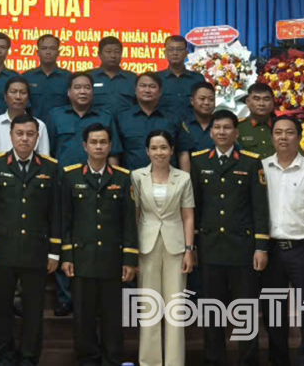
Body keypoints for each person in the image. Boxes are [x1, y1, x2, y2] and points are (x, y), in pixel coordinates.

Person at [190, 110, 270, 366]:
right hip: (210, 248)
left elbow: (260, 208)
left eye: (227, 128)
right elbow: (194, 208)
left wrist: (261, 246)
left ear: (236, 133)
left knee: (245, 311)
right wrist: (192, 246)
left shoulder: (250, 162)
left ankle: (248, 360)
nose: (222, 132)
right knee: (212, 311)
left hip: (242, 249)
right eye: (217, 128)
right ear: (211, 132)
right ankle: (214, 359)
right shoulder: (198, 162)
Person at [0, 114, 60, 366]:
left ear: (37, 137)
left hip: (37, 249)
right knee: (1, 306)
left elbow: (55, 212)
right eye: (19, 133)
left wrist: (54, 251)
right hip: (3, 249)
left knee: (34, 308)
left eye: (30, 134)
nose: (24, 139)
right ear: (11, 135)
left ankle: (29, 356)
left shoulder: (50, 167)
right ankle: (3, 355)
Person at [60, 123, 138, 366]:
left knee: (112, 316)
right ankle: (87, 359)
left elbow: (130, 222)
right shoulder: (71, 176)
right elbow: (65, 220)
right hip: (82, 258)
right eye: (93, 142)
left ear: (110, 146)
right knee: (83, 316)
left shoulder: (123, 178)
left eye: (103, 142)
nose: (98, 146)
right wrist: (67, 255)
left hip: (112, 259)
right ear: (84, 146)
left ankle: (112, 359)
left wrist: (130, 259)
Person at [261, 116, 304, 366]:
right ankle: (278, 360)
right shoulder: (262, 168)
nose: (283, 137)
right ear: (272, 137)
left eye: (289, 132)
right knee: (273, 313)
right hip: (271, 250)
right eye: (278, 132)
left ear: (299, 137)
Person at [131, 130, 195, 366]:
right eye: (154, 148)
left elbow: (188, 216)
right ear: (147, 151)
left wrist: (189, 249)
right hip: (146, 246)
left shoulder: (183, 178)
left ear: (172, 150)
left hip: (176, 247)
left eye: (164, 147)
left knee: (175, 308)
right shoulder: (137, 176)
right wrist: (132, 251)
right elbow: (135, 215)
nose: (159, 152)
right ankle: (150, 362)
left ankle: (174, 362)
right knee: (149, 307)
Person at [48, 71, 120, 168]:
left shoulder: (105, 117)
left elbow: (113, 153)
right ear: (69, 92)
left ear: (93, 92)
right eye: (77, 87)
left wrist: (114, 176)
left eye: (87, 87)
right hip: (63, 175)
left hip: (97, 175)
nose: (83, 91)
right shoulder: (56, 116)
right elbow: (49, 151)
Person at [115, 72, 179, 170]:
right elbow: (115, 153)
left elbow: (183, 151)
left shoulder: (172, 117)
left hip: (167, 176)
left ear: (160, 92)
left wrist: (185, 178)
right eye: (143, 86)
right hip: (131, 177)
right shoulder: (122, 117)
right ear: (135, 90)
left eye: (152, 86)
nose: (147, 90)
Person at [0, 76, 50, 156]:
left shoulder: (40, 125)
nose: (18, 97)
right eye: (13, 92)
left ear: (28, 98)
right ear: (5, 97)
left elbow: (44, 157)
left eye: (23, 92)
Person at [22, 34, 70, 130]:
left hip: (61, 129)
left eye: (52, 48)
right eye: (44, 48)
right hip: (33, 129)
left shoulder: (68, 77)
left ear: (58, 52)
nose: (48, 52)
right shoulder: (26, 77)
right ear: (37, 52)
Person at [157, 35, 206, 122]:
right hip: (163, 127)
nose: (175, 53)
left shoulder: (198, 79)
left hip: (191, 127)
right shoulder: (156, 79)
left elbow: (204, 106)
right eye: (171, 49)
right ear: (165, 53)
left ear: (186, 53)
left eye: (179, 49)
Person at [90, 36, 137, 117]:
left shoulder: (132, 78)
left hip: (125, 122)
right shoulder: (89, 77)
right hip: (96, 122)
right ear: (99, 54)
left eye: (117, 52)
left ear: (121, 54)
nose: (113, 55)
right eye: (108, 51)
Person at [177, 82, 217, 172]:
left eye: (211, 99)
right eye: (202, 99)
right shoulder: (183, 125)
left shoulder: (220, 126)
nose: (207, 103)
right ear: (192, 101)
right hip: (191, 176)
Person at [237, 83, 277, 158]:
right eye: (256, 99)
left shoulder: (282, 126)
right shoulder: (238, 127)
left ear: (273, 102)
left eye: (266, 99)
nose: (261, 104)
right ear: (247, 101)